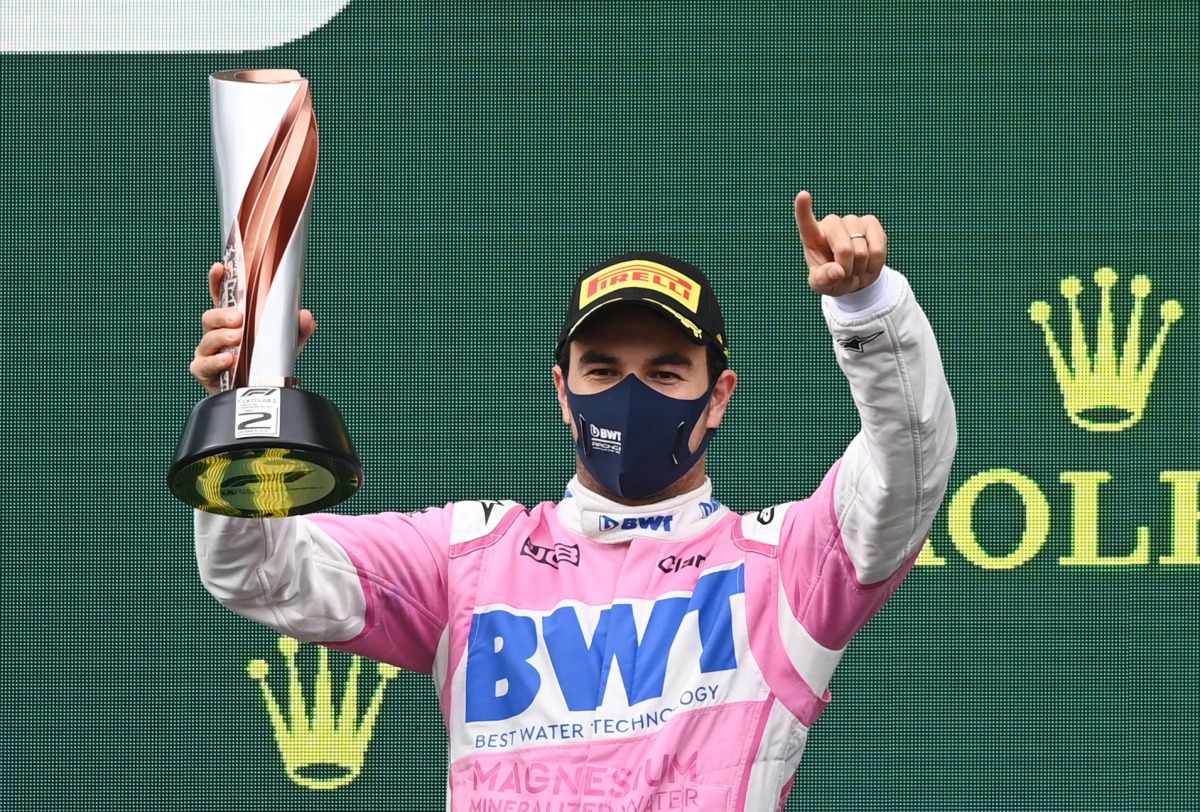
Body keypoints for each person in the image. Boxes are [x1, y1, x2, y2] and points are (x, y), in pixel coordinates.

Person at [190, 191, 957, 811]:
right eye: (600, 370)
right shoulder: (468, 560)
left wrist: (869, 311)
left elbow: (908, 466)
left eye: (663, 373)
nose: (628, 395)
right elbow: (259, 572)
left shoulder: (783, 567)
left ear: (718, 397)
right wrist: (248, 406)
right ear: (563, 392)